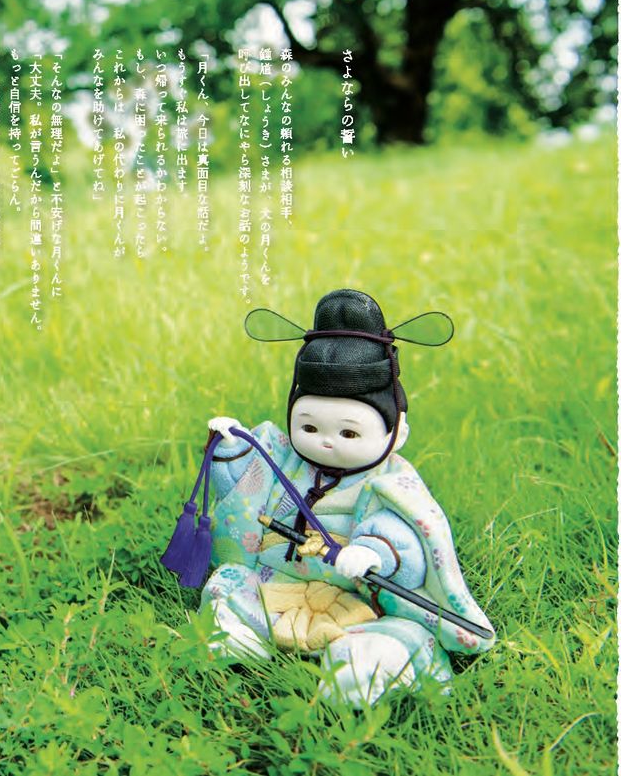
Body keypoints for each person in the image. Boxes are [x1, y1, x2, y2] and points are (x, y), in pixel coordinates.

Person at [195, 289, 494, 706]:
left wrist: (373, 553)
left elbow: (401, 533)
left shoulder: (387, 483)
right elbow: (245, 485)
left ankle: (364, 664)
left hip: (355, 599)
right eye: (309, 427)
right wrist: (231, 445)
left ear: (396, 432)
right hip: (280, 585)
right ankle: (241, 636)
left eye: (349, 432)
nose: (327, 442)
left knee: (387, 637)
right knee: (228, 589)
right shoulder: (284, 457)